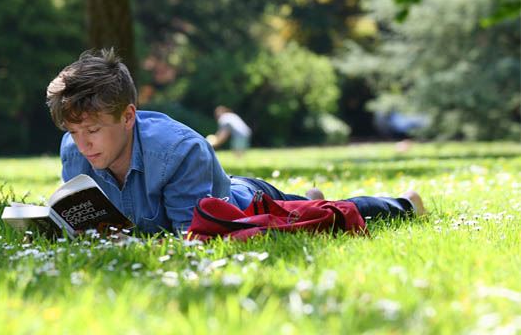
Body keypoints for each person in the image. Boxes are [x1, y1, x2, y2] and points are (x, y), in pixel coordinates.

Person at [46, 49, 425, 234]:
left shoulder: (179, 152)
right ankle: (306, 199)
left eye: (93, 131)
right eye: (74, 132)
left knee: (330, 215)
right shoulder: (73, 150)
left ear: (128, 116)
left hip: (245, 202)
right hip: (226, 195)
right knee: (309, 208)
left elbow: (191, 239)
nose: (83, 144)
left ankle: (405, 203)